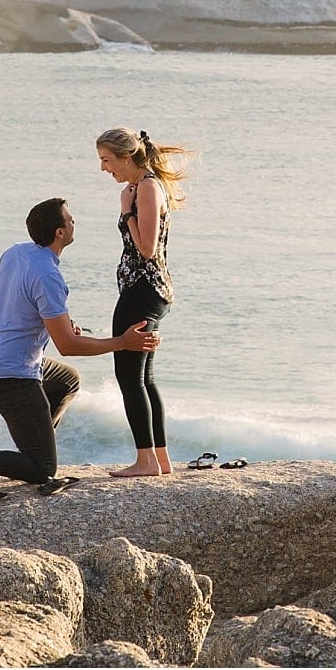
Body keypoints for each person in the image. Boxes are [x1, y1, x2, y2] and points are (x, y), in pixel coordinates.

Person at [0, 197, 161, 493]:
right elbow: (68, 345)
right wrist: (123, 342)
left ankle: (35, 442)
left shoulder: (15, 253)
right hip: (8, 375)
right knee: (42, 469)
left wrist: (59, 322)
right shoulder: (48, 275)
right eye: (70, 218)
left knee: (67, 380)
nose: (74, 221)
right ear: (59, 233)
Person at [95, 127, 190, 477]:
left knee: (129, 376)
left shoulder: (147, 188)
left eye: (107, 160)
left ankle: (145, 460)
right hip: (146, 290)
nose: (105, 168)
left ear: (125, 157)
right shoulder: (145, 186)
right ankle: (160, 459)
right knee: (145, 376)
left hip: (143, 289)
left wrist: (126, 213)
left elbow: (147, 249)